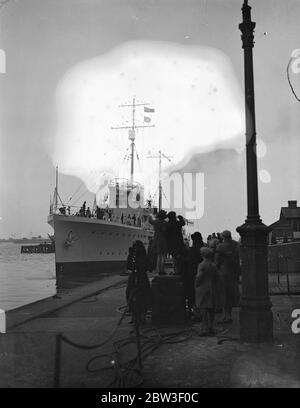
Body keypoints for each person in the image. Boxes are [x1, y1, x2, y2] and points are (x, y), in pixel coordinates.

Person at [215, 230, 241, 323]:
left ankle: (226, 316)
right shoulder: (236, 245)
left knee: (223, 293)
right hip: (233, 272)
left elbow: (217, 261)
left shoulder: (220, 246)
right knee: (230, 294)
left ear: (223, 237)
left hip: (223, 272)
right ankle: (229, 315)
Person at [126, 241, 152, 325]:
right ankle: (141, 317)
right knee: (144, 297)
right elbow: (149, 267)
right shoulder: (144, 256)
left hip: (135, 277)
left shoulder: (133, 256)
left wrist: (131, 256)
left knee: (131, 296)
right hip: (142, 278)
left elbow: (129, 266)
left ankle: (135, 317)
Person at [195, 247, 217, 335]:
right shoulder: (213, 265)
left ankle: (204, 327)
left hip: (203, 288)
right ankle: (211, 326)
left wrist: (196, 284)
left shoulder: (202, 265)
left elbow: (199, 276)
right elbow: (217, 277)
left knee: (203, 308)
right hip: (211, 287)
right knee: (211, 308)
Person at [185, 232, 205, 315]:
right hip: (202, 273)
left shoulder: (193, 249)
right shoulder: (203, 247)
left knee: (192, 294)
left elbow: (188, 260)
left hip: (193, 272)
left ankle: (193, 311)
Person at [148, 210, 168, 275]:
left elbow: (150, 221)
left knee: (159, 256)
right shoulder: (164, 223)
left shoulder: (156, 222)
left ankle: (158, 269)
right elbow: (165, 231)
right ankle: (162, 270)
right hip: (163, 240)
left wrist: (150, 215)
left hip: (156, 239)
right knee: (163, 256)